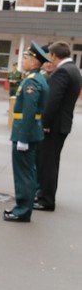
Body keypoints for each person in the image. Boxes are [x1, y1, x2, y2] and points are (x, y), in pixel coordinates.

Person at [3, 42, 48, 222]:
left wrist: (23, 137)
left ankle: (22, 210)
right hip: (29, 131)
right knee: (27, 171)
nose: (23, 60)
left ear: (35, 61)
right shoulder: (36, 78)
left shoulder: (32, 81)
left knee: (24, 173)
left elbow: (29, 111)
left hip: (25, 132)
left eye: (26, 57)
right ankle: (22, 207)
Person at [34, 40, 82, 211]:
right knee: (51, 162)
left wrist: (45, 123)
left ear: (54, 55)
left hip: (53, 126)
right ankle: (44, 195)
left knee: (47, 163)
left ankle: (45, 200)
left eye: (50, 57)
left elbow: (52, 100)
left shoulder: (62, 71)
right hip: (62, 124)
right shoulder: (73, 69)